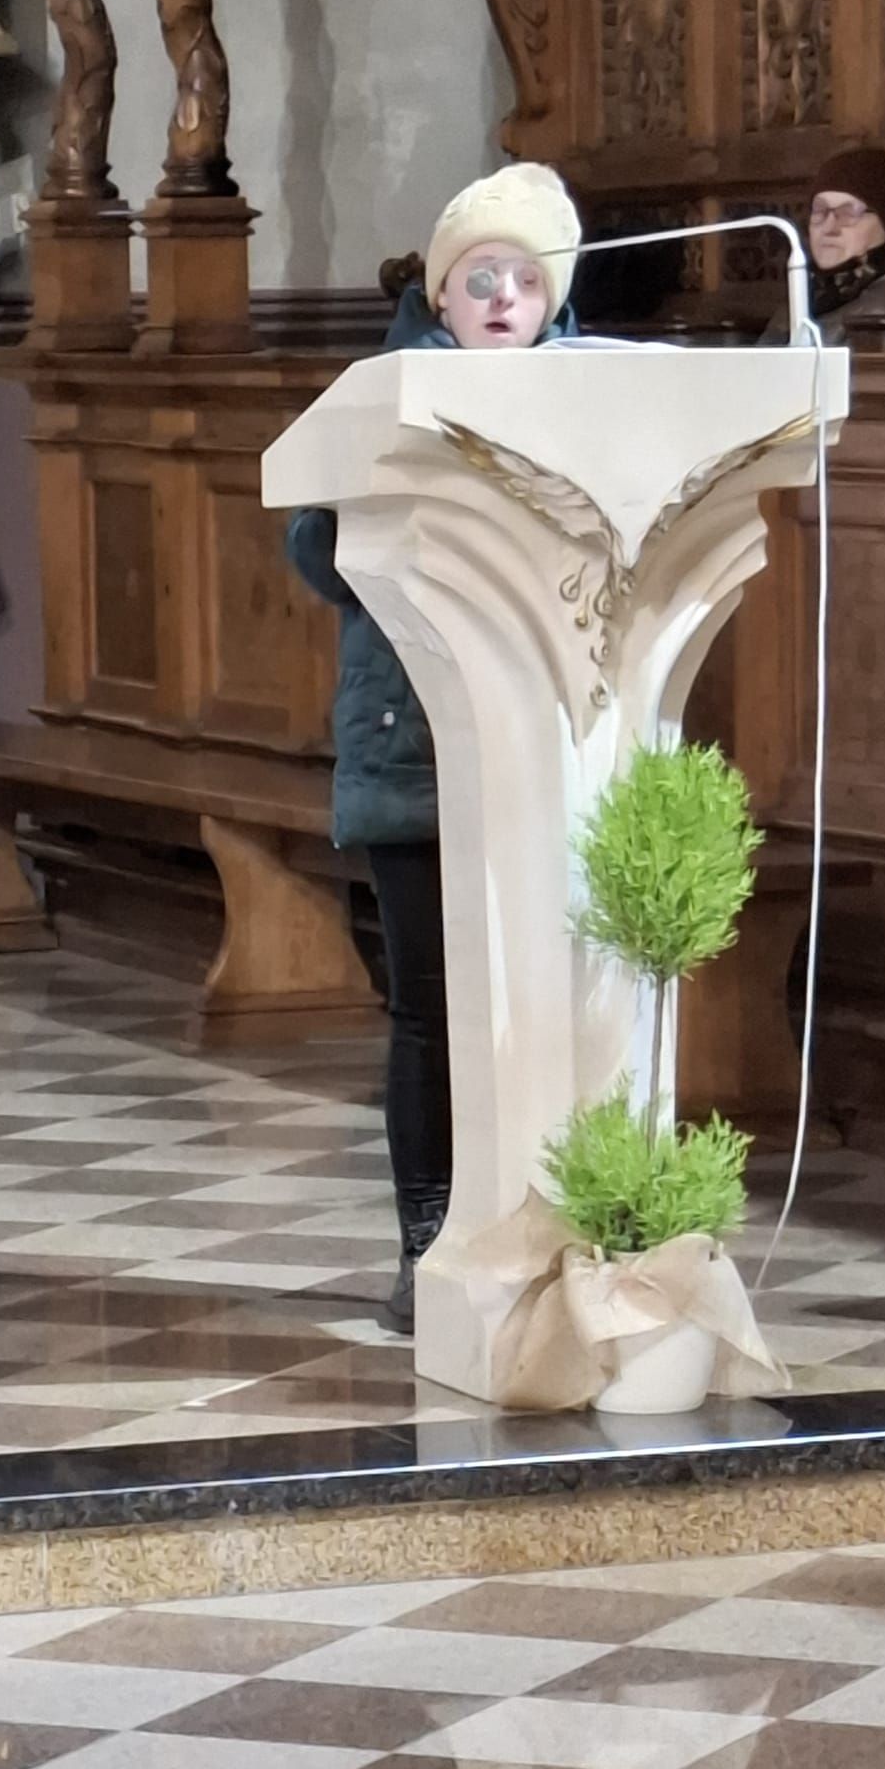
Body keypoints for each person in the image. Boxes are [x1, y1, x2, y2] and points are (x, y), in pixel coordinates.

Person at [287, 162, 582, 1334]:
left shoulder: (597, 403)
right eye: (481, 280)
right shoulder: (383, 396)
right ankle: (428, 1240)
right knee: (432, 1007)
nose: (504, 300)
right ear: (441, 295)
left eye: (526, 281)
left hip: (548, 747)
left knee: (542, 1005)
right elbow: (315, 553)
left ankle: (548, 1231)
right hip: (413, 744)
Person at [763, 146, 885, 345]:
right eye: (820, 210)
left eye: (848, 213)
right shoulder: (812, 294)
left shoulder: (881, 314)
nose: (829, 227)